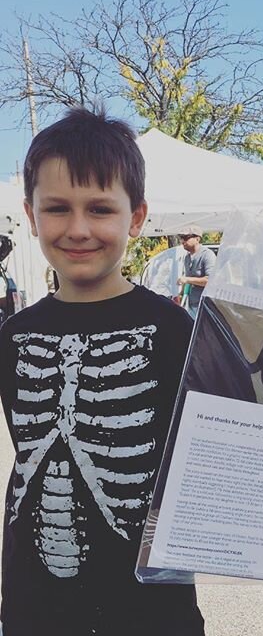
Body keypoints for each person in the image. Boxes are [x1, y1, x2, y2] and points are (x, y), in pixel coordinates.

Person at [0, 107, 204, 636]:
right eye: (58, 209)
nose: (79, 229)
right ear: (31, 215)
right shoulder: (13, 335)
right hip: (34, 605)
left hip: (150, 610)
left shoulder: (175, 328)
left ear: (135, 218)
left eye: (100, 209)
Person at [177, 224, 217, 318]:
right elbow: (187, 280)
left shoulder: (207, 255)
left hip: (206, 307)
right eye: (181, 238)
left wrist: (187, 280)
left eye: (186, 238)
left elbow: (210, 281)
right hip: (192, 305)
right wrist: (181, 295)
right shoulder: (187, 257)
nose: (182, 241)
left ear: (197, 239)